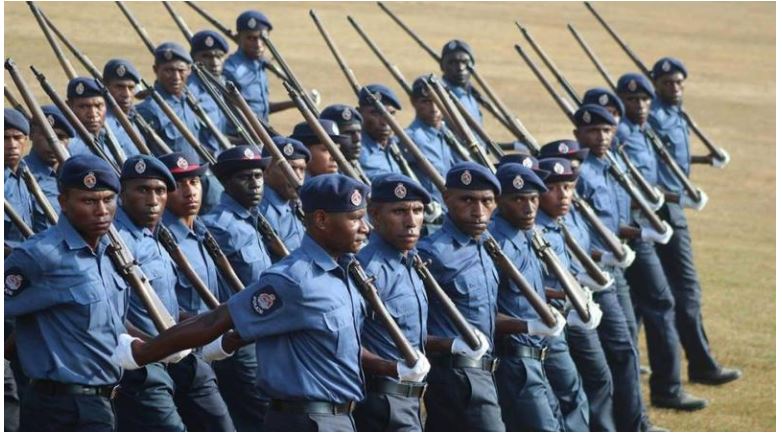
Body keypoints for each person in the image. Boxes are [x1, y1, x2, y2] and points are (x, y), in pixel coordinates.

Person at [112, 174, 418, 432]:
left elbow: (334, 341)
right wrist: (143, 352)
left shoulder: (345, 274)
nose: (365, 227)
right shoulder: (294, 279)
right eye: (354, 219)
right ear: (322, 220)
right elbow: (216, 319)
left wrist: (390, 366)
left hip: (342, 418)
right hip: (307, 420)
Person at [113, 155, 234, 432]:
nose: (153, 199)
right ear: (123, 193)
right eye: (142, 190)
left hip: (179, 353)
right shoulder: (114, 239)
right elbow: (111, 313)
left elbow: (166, 305)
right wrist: (157, 345)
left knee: (220, 424)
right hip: (142, 364)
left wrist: (208, 324)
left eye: (159, 191)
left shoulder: (156, 235)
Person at [5, 155, 126, 431]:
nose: (101, 210)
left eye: (108, 199)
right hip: (59, 407)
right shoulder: (41, 256)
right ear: (63, 203)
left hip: (103, 402)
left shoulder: (110, 253)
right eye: (88, 201)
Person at [615, 72, 709, 411]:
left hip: (643, 227)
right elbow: (636, 188)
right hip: (631, 230)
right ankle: (667, 389)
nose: (639, 105)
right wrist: (676, 198)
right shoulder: (621, 135)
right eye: (631, 100)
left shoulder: (640, 131)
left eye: (643, 100)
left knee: (642, 307)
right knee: (661, 303)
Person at [649, 57, 740, 386]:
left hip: (673, 204)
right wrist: (676, 197)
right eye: (667, 83)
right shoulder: (654, 117)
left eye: (679, 82)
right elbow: (648, 168)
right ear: (655, 83)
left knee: (645, 291)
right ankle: (701, 363)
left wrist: (705, 159)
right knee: (686, 289)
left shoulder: (675, 112)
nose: (674, 88)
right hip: (665, 209)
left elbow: (672, 159)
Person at [573, 104, 662, 431]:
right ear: (578, 135)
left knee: (624, 349)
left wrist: (640, 233)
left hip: (612, 270)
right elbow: (574, 231)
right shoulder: (576, 176)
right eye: (592, 131)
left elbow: (612, 222)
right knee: (611, 354)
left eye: (607, 130)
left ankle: (634, 423)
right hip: (589, 274)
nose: (600, 137)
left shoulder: (610, 165)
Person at [417, 162, 505, 431]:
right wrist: (450, 345)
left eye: (486, 201)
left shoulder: (484, 246)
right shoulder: (431, 253)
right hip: (453, 372)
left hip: (484, 369)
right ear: (446, 198)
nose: (478, 211)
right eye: (467, 200)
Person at [490, 163, 574, 431]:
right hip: (514, 358)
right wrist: (529, 326)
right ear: (499, 201)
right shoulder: (496, 244)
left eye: (534, 199)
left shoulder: (524, 234)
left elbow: (525, 291)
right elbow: (482, 310)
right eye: (518, 199)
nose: (529, 208)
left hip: (535, 352)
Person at [536, 157, 616, 431]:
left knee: (598, 376)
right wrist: (563, 295)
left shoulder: (561, 223)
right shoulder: (532, 230)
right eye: (554, 188)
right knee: (569, 394)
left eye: (568, 187)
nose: (563, 195)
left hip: (576, 313)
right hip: (549, 322)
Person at [353, 173, 433, 431]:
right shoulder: (367, 269)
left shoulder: (410, 262)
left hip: (412, 399)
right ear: (374, 215)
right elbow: (341, 342)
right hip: (383, 401)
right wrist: (391, 367)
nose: (411, 222)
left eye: (418, 211)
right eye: (399, 211)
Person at [136, 42, 223, 213]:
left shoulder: (189, 101)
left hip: (199, 180)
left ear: (189, 70)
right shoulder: (149, 109)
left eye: (181, 71)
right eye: (168, 70)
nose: (175, 76)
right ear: (156, 70)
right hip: (173, 188)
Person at [223, 10, 296, 122]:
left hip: (263, 130)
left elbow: (260, 108)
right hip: (242, 135)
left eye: (262, 38)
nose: (258, 44)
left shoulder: (260, 64)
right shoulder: (230, 70)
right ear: (239, 38)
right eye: (251, 38)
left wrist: (294, 102)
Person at [405, 75, 462, 206]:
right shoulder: (411, 138)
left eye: (438, 101)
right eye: (426, 101)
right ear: (414, 102)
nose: (434, 108)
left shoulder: (448, 133)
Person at [24, 105, 75, 232]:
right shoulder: (21, 175)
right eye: (46, 137)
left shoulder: (75, 174)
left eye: (61, 137)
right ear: (31, 134)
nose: (53, 144)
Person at [259, 136, 308, 256]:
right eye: (290, 168)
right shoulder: (262, 212)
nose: (297, 176)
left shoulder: (296, 205)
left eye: (302, 169)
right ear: (266, 172)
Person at [65, 77, 129, 167]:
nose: (92, 114)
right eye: (83, 106)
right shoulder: (68, 144)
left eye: (98, 106)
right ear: (69, 106)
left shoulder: (108, 137)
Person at [188, 31, 230, 141]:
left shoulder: (223, 84)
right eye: (206, 56)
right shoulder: (189, 91)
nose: (214, 62)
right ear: (193, 58)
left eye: (219, 56)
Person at [357, 84, 404, 180]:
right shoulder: (356, 152)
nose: (385, 122)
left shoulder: (398, 146)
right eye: (375, 113)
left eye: (391, 113)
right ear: (359, 113)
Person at [4, 108, 34, 248]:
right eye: (4, 138)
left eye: (17, 138)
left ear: (26, 140)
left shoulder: (25, 175)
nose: (12, 145)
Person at [101, 59, 143, 158]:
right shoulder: (102, 122)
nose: (126, 94)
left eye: (131, 88)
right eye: (119, 87)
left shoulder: (136, 117)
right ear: (105, 86)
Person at [440, 39, 482, 126]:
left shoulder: (473, 95)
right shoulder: (440, 96)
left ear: (472, 65)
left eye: (465, 62)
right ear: (442, 66)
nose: (460, 68)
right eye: (452, 63)